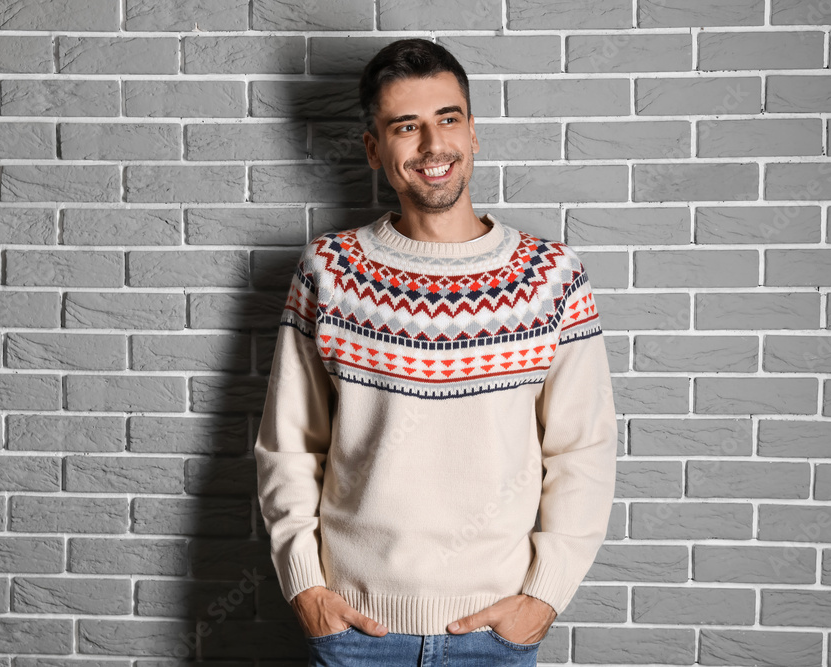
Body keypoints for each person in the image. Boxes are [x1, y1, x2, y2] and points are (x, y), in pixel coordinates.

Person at [253, 38, 617, 667]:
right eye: (406, 126)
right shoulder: (328, 270)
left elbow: (583, 449)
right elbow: (289, 444)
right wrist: (307, 588)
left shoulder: (551, 275)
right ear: (373, 148)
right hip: (353, 630)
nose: (432, 146)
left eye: (448, 119)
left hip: (495, 631)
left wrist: (543, 598)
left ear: (473, 133)